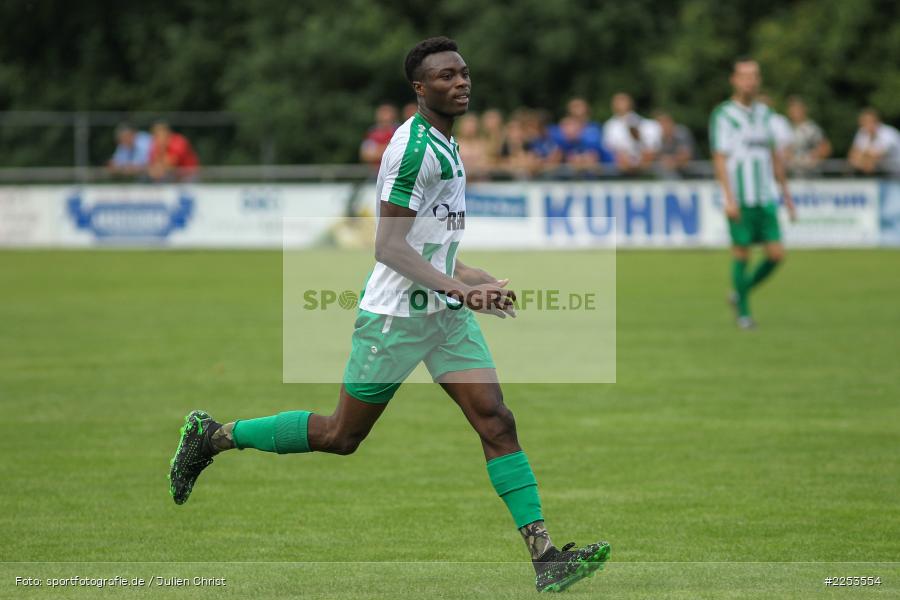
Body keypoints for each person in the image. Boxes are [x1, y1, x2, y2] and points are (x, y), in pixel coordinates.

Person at [167, 37, 610, 593]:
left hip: (444, 317)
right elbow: (389, 247)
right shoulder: (413, 151)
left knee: (497, 421)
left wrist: (475, 283)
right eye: (446, 76)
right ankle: (215, 436)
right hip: (395, 319)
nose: (461, 82)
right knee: (340, 435)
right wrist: (460, 289)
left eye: (464, 73)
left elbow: (431, 247)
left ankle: (545, 557)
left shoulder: (448, 146)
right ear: (420, 89)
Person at [710, 58, 797, 330]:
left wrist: (787, 195)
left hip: (764, 196)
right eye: (744, 76)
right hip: (741, 198)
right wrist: (729, 198)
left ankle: (739, 293)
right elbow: (720, 158)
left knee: (776, 255)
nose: (750, 81)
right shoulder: (724, 115)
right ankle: (745, 315)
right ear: (734, 80)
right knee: (742, 255)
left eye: (754, 76)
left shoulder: (766, 115)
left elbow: (774, 157)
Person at [603, 92, 661, 175]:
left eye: (623, 101)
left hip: (643, 166)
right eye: (618, 102)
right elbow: (608, 148)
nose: (621, 104)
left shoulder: (645, 124)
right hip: (620, 168)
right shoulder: (609, 126)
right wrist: (619, 158)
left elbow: (650, 148)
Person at [784, 96, 831, 176]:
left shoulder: (811, 128)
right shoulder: (786, 128)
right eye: (792, 109)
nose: (794, 112)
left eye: (797, 109)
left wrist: (813, 156)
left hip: (810, 176)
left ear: (804, 110)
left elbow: (826, 148)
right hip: (792, 176)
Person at [848, 108, 900, 176]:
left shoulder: (888, 133)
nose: (862, 126)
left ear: (875, 121)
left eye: (865, 122)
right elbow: (853, 155)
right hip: (887, 174)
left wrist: (863, 158)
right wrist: (864, 162)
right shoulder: (862, 132)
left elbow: (878, 156)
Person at [653, 110, 695, 178]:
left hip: (693, 174)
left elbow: (685, 156)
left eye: (664, 123)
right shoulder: (656, 137)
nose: (662, 127)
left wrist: (671, 160)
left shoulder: (681, 133)